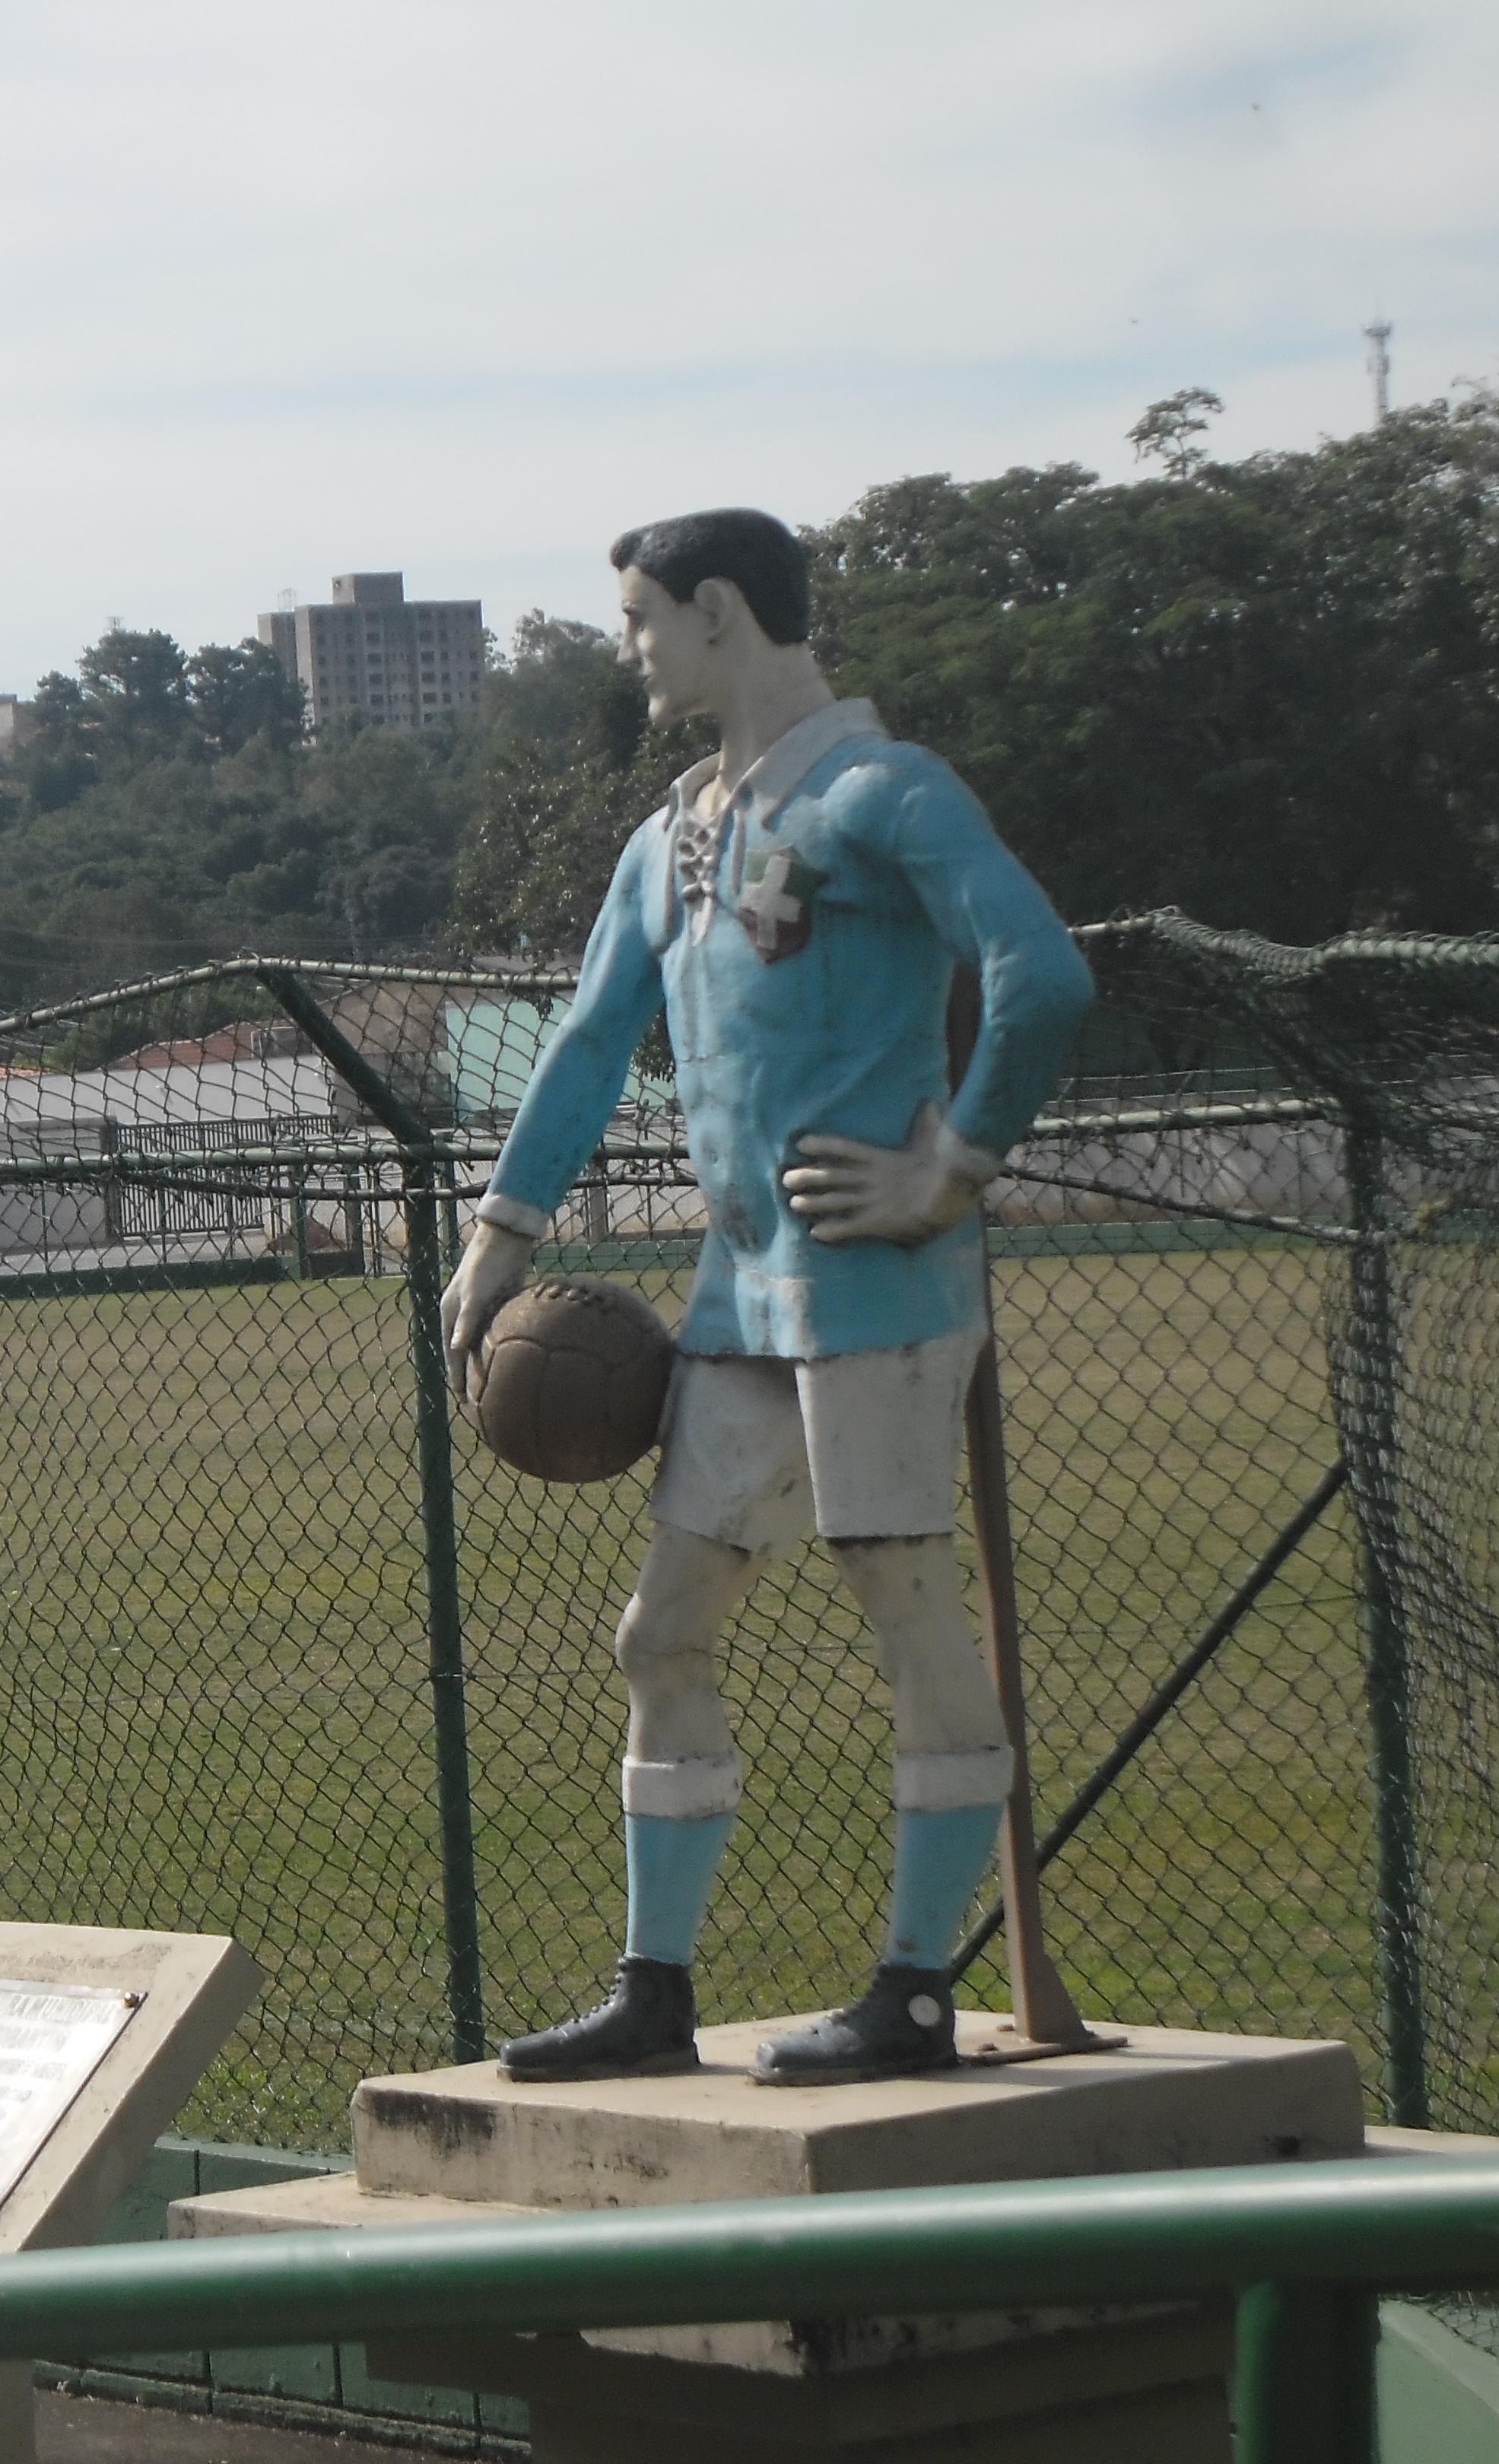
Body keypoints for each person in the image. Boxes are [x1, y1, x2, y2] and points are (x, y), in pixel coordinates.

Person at [442, 508, 1092, 2087]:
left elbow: (1041, 971)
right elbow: (595, 1039)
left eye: (641, 619)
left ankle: (916, 1991)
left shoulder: (885, 791)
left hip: (878, 1296)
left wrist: (955, 1164)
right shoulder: (675, 833)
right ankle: (652, 1991)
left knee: (909, 1621)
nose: (632, 648)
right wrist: (503, 1228)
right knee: (661, 1632)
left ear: (717, 611)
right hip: (737, 1300)